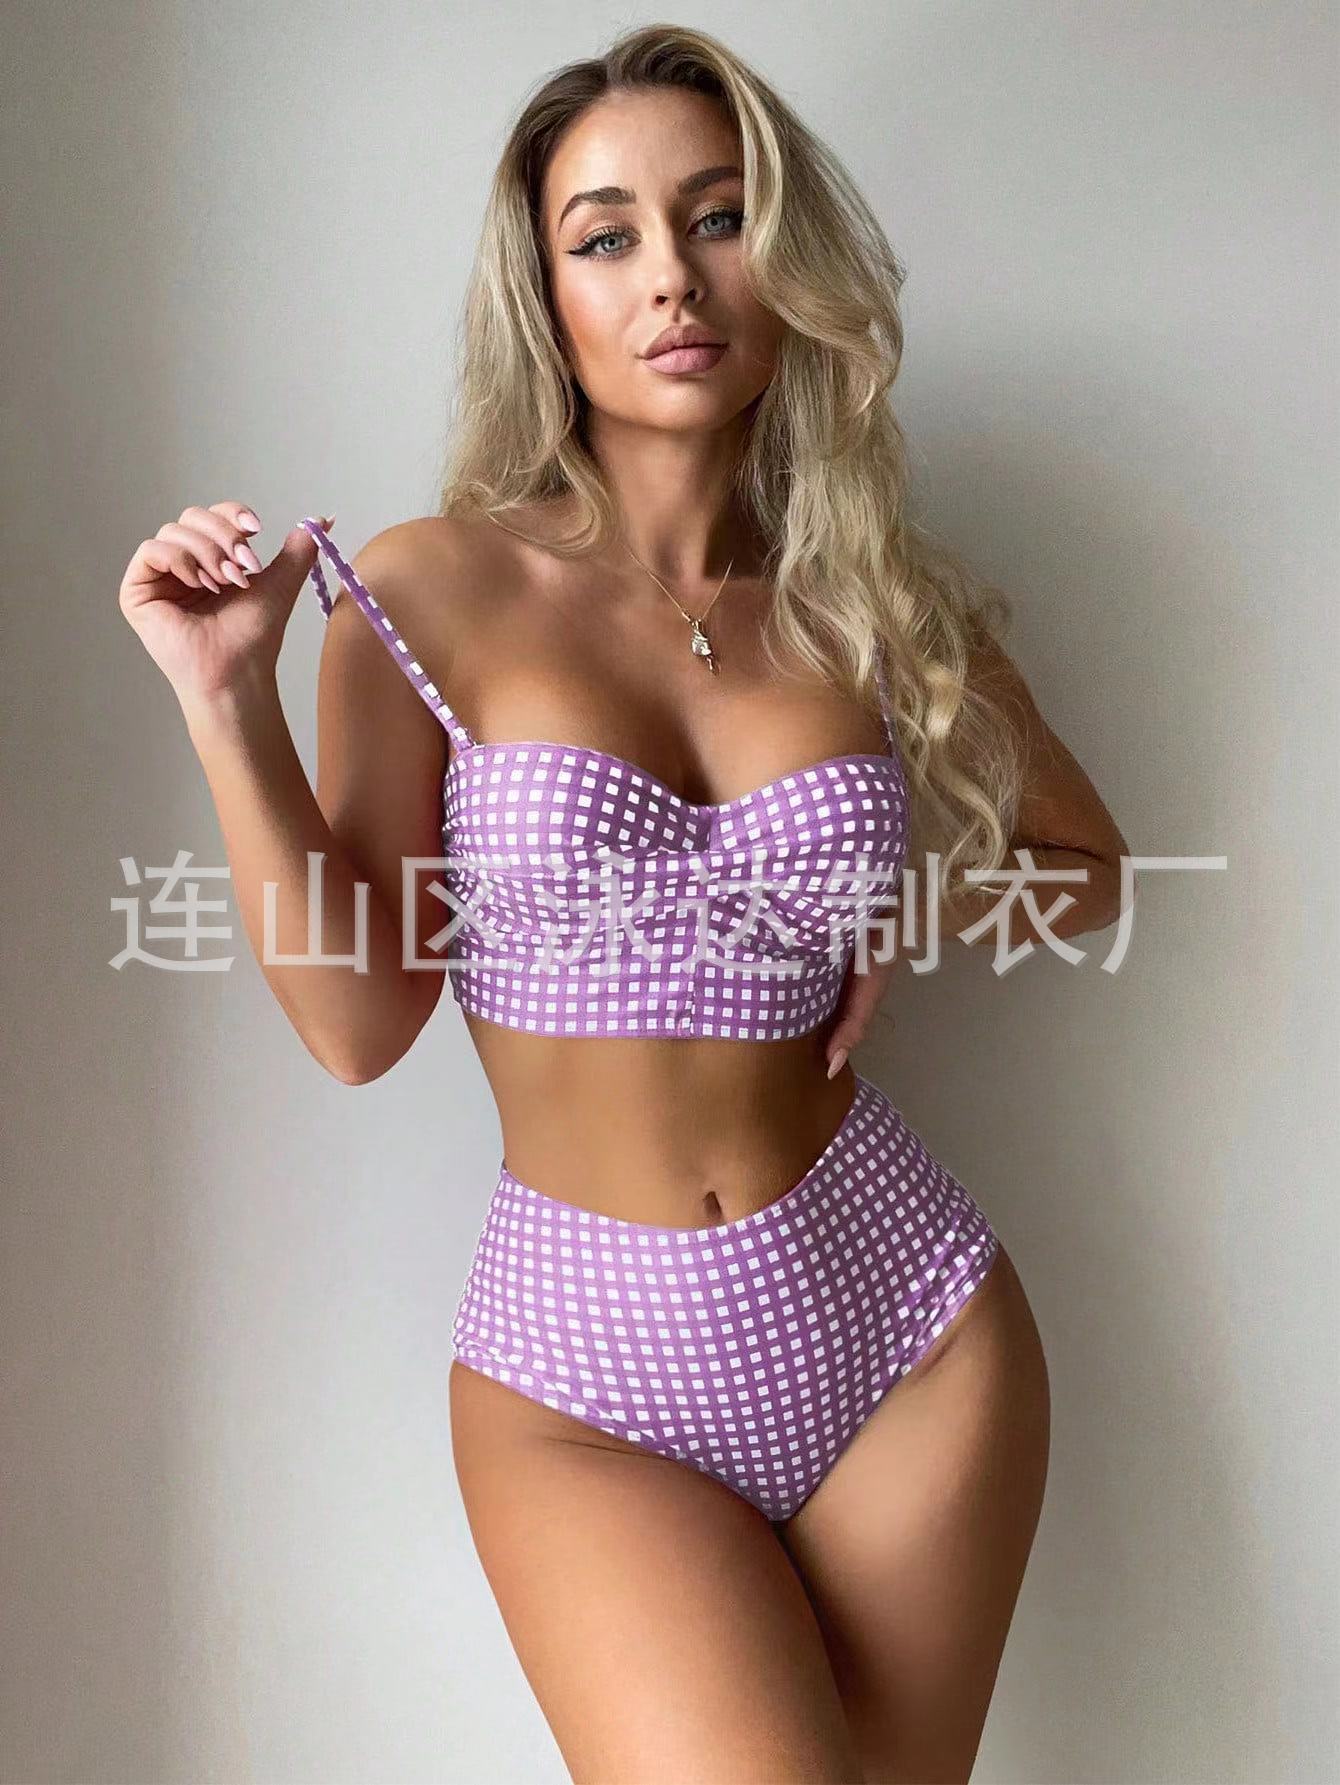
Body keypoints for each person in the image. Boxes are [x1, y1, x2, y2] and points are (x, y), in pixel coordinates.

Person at [119, 25, 1129, 1784]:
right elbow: (356, 1024)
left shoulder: (870, 600)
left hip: (912, 1329)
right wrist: (227, 705)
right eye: (607, 235)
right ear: (547, 293)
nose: (671, 275)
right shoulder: (434, 590)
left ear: (784, 259)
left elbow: (1090, 864)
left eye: (718, 217)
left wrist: (897, 910)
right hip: (588, 1385)